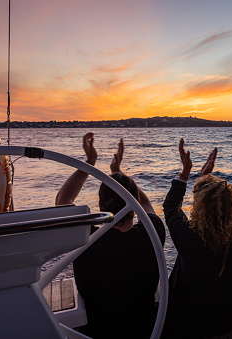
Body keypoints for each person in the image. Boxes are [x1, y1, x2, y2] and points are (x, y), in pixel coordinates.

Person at [55, 133, 165, 339]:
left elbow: (63, 201)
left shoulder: (86, 239)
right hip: (146, 331)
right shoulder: (153, 232)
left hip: (97, 333)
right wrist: (118, 173)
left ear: (100, 206)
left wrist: (90, 163)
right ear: (133, 206)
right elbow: (146, 205)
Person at [162, 139, 232, 338]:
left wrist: (186, 173)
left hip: (190, 319)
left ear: (199, 206)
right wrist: (205, 179)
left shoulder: (188, 237)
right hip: (227, 316)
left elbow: (171, 207)